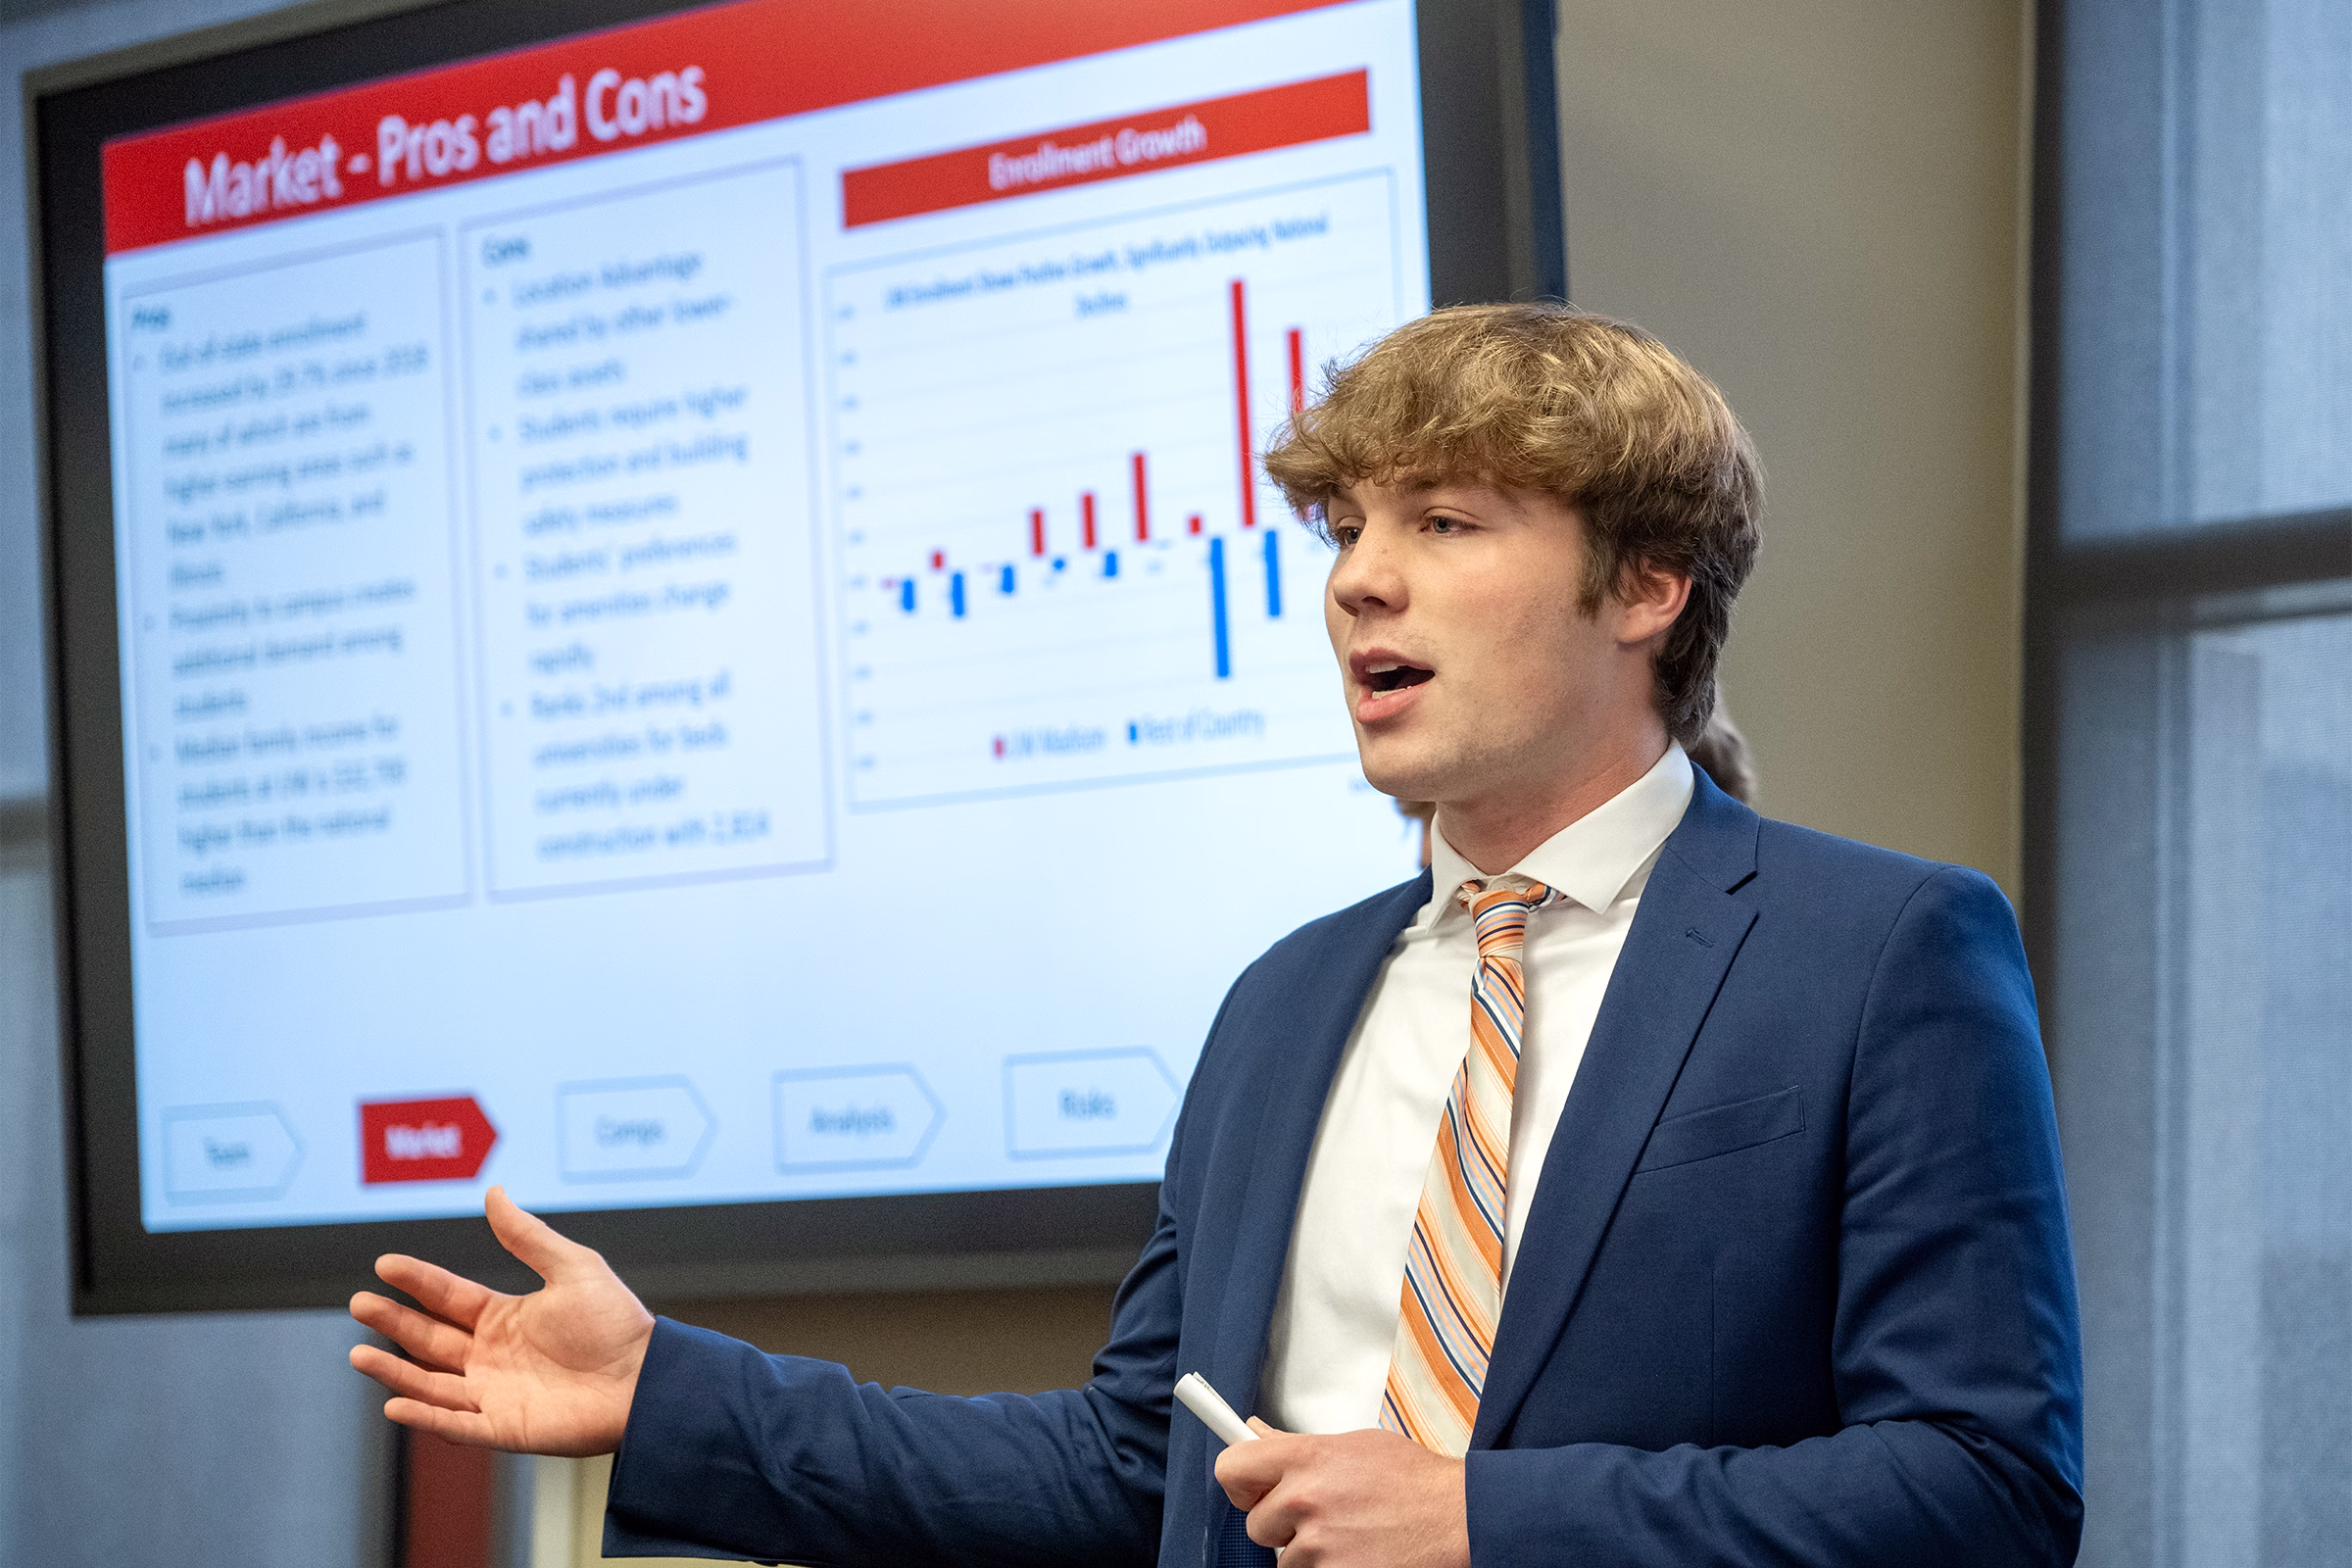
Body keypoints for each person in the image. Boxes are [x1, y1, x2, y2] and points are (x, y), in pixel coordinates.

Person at [350, 305, 2082, 1568]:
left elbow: (1983, 1485)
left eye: (1445, 524)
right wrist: (671, 1394)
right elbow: (1129, 1477)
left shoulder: (1881, 954)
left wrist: (1485, 1519)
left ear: (1646, 587)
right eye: (1347, 531)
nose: (1354, 582)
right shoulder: (1288, 1001)